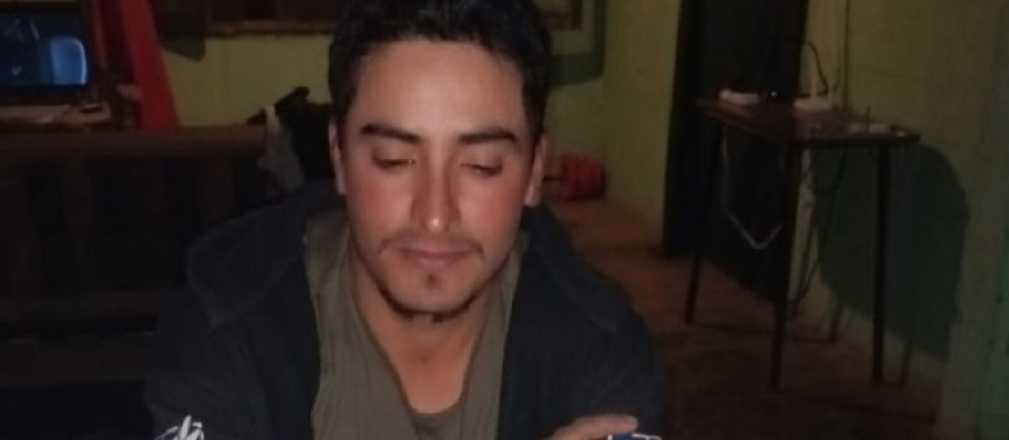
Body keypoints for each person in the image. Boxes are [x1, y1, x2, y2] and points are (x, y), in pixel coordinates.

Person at [145, 0, 665, 439]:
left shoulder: (601, 345)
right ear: (339, 156)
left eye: (481, 166)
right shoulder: (224, 331)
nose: (435, 216)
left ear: (533, 172)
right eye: (393, 160)